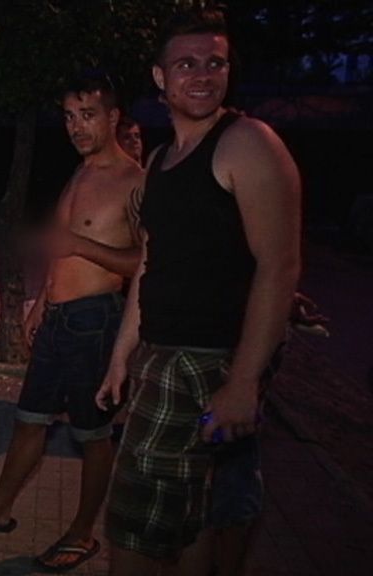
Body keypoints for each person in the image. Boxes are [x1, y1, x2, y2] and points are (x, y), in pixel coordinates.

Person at [96, 9, 301, 576]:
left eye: (216, 62)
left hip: (206, 363)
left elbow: (280, 268)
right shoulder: (160, 160)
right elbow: (151, 263)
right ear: (160, 78)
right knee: (192, 519)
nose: (203, 74)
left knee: (133, 530)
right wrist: (122, 354)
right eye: (186, 63)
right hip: (162, 357)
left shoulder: (247, 143)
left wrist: (243, 382)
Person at [0, 77, 143, 572]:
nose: (76, 126)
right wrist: (39, 305)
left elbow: (143, 263)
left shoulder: (134, 181)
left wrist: (84, 249)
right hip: (57, 318)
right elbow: (59, 248)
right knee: (30, 418)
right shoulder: (80, 172)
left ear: (113, 117)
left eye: (87, 114)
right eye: (69, 116)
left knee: (92, 435)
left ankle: (82, 534)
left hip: (96, 322)